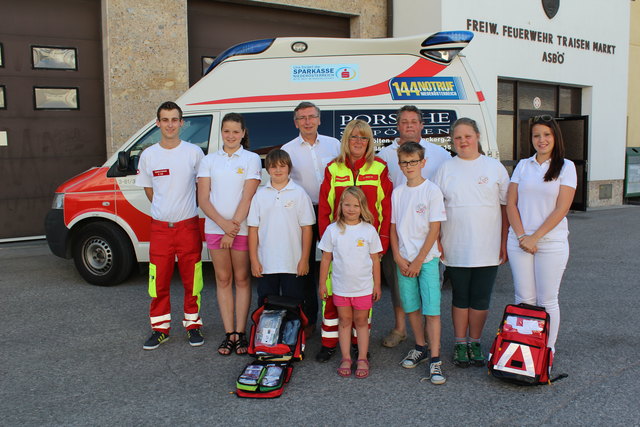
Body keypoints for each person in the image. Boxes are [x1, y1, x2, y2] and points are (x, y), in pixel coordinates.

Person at [432, 117, 510, 368]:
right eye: (457, 137)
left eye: (467, 136)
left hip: (487, 246)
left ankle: (474, 342)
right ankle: (459, 343)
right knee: (460, 297)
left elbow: (506, 206)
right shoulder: (445, 168)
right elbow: (436, 208)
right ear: (452, 141)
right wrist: (438, 240)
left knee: (480, 298)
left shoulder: (494, 167)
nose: (463, 141)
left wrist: (504, 239)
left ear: (477, 136)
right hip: (456, 245)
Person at [316, 119, 392, 362]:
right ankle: (329, 342)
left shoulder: (379, 167)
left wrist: (382, 242)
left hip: (367, 246)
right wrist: (327, 242)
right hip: (338, 245)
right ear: (346, 141)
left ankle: (360, 344)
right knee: (331, 296)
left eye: (363, 138)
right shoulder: (333, 168)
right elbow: (325, 208)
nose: (358, 142)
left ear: (369, 142)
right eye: (353, 137)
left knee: (363, 298)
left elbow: (385, 207)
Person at [378, 105, 451, 349]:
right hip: (399, 234)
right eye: (404, 122)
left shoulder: (439, 154)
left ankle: (430, 337)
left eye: (414, 121)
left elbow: (446, 194)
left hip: (428, 238)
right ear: (398, 126)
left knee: (431, 288)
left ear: (421, 125)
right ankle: (401, 329)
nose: (409, 125)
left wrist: (440, 235)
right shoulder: (385, 155)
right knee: (401, 288)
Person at [136, 101, 205, 350]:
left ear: (181, 123)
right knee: (159, 281)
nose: (170, 125)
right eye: (165, 120)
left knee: (192, 280)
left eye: (174, 120)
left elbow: (202, 187)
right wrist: (165, 211)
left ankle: (193, 325)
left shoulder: (193, 153)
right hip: (161, 229)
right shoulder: (149, 155)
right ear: (158, 123)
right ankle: (160, 328)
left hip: (188, 227)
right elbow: (148, 189)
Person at [506, 115, 576, 352]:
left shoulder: (566, 166)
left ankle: (545, 352)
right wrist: (522, 236)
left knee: (547, 301)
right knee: (524, 299)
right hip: (519, 241)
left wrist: (535, 238)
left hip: (551, 243)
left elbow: (562, 207)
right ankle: (523, 349)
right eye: (537, 135)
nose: (541, 140)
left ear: (555, 137)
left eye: (546, 134)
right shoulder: (523, 166)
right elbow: (511, 204)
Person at [197, 112, 261, 356]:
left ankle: (241, 332)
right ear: (221, 133)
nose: (231, 136)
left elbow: (248, 196)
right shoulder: (209, 160)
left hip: (242, 230)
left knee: (243, 280)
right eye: (227, 131)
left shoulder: (252, 158)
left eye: (236, 131)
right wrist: (224, 226)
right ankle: (229, 335)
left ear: (243, 133)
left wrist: (232, 228)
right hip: (216, 229)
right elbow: (203, 198)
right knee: (223, 281)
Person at [390, 142, 447, 385]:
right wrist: (397, 256)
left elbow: (435, 228)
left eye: (413, 161)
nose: (409, 166)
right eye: (404, 162)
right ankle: (420, 347)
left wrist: (419, 260)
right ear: (400, 164)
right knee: (411, 307)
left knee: (431, 310)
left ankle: (435, 358)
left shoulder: (431, 191)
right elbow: (393, 227)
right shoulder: (398, 192)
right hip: (404, 260)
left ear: (422, 162)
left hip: (427, 260)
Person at [282, 102, 341, 337]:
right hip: (301, 213)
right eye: (302, 118)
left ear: (319, 119)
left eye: (311, 117)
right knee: (304, 267)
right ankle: (309, 319)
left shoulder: (334, 144)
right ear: (296, 122)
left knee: (334, 264)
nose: (307, 121)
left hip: (332, 212)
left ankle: (335, 319)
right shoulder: (288, 149)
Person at [318, 186, 382, 379]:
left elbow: (375, 260)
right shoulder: (332, 230)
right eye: (347, 204)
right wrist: (322, 284)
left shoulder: (369, 230)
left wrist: (377, 285)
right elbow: (326, 259)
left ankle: (362, 357)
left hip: (363, 288)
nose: (351, 209)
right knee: (344, 321)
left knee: (361, 322)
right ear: (341, 205)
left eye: (356, 205)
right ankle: (346, 357)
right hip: (340, 287)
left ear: (362, 207)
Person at [247, 149, 315, 307]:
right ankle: (268, 332)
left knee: (294, 304)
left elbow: (307, 229)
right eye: (273, 166)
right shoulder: (260, 195)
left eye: (282, 166)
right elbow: (253, 230)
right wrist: (254, 260)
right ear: (267, 169)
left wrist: (304, 260)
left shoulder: (299, 194)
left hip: (293, 263)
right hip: (266, 263)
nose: (278, 170)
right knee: (267, 305)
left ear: (289, 168)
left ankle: (291, 332)